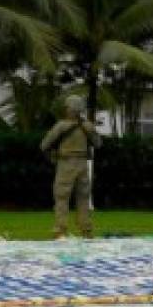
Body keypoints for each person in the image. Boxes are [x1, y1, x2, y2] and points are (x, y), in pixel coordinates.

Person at [41, 95, 102, 239]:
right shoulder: (87, 126)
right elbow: (98, 143)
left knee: (61, 197)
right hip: (83, 165)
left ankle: (60, 230)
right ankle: (86, 230)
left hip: (65, 164)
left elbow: (44, 145)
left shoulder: (61, 126)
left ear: (68, 108)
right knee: (83, 198)